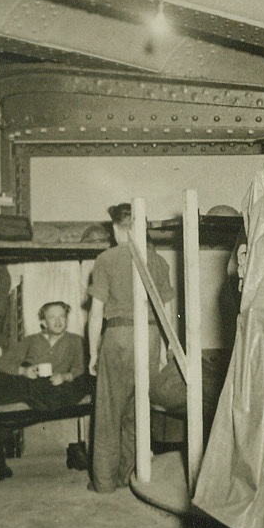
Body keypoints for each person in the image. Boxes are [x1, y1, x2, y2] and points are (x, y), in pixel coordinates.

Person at [87, 202, 175, 494]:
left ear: (116, 229)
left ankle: (104, 482)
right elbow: (168, 311)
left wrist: (92, 352)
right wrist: (163, 350)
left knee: (109, 410)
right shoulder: (159, 261)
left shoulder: (106, 259)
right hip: (149, 335)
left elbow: (96, 312)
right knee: (140, 408)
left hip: (119, 335)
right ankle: (132, 476)